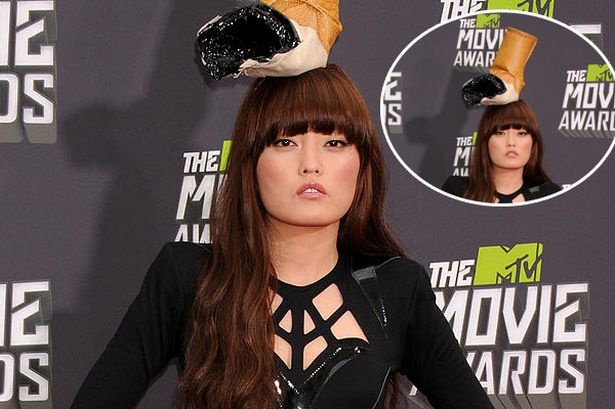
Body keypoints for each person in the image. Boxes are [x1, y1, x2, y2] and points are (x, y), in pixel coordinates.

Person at [72, 65, 493, 409]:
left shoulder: (397, 289)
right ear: (251, 163)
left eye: (334, 142)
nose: (311, 164)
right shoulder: (189, 279)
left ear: (362, 164)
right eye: (286, 141)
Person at [442, 99, 561, 203]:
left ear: (533, 142)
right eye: (500, 133)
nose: (511, 142)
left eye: (521, 133)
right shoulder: (457, 191)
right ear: (485, 141)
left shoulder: (549, 195)